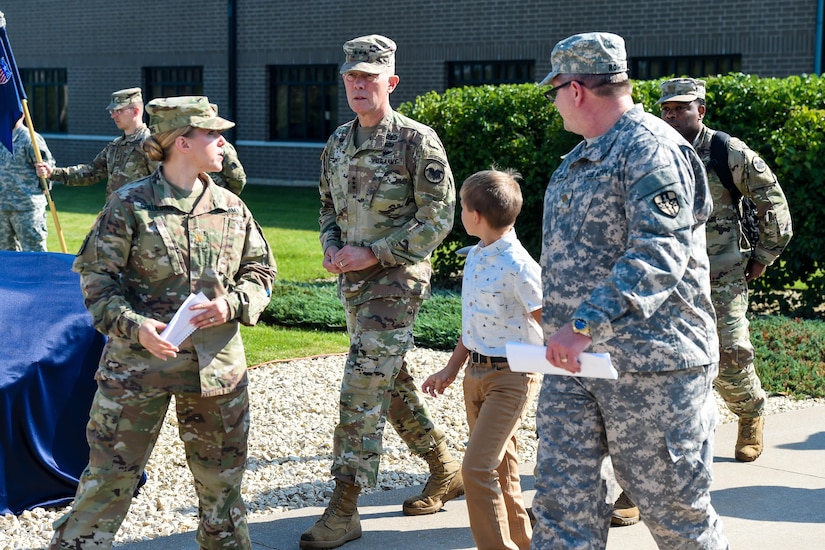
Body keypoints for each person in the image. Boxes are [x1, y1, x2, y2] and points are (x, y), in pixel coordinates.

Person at [48, 96, 276, 549]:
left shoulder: (231, 206)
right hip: (138, 370)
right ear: (182, 142)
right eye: (212, 133)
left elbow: (262, 273)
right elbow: (97, 282)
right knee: (108, 481)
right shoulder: (129, 205)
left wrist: (232, 304)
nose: (221, 141)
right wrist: (136, 327)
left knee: (222, 490)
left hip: (216, 373)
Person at [532, 32, 729, 548]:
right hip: (574, 369)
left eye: (554, 91)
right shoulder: (578, 160)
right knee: (559, 507)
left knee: (677, 518)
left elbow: (658, 254)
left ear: (575, 89)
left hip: (653, 370)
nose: (553, 103)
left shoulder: (652, 151)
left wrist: (582, 325)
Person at [301, 34, 460, 549]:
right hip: (353, 283)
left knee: (362, 384)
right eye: (351, 77)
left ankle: (345, 506)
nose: (358, 85)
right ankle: (443, 466)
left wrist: (376, 253)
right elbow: (328, 206)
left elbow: (438, 218)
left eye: (369, 77)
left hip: (397, 279)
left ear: (390, 82)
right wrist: (331, 247)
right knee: (388, 381)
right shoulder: (338, 143)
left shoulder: (418, 141)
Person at [658, 77, 793, 461]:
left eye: (681, 109)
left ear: (700, 110)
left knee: (730, 353)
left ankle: (750, 414)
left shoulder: (725, 150)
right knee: (667, 362)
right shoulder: (653, 151)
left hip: (722, 273)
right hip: (668, 276)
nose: (671, 116)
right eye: (666, 109)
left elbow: (772, 200)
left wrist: (764, 256)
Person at [421, 168, 542, 550]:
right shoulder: (474, 256)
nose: (460, 213)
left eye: (461, 207)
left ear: (475, 216)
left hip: (512, 378)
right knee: (502, 468)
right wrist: (452, 368)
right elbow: (474, 324)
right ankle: (528, 544)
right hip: (476, 374)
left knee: (475, 469)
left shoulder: (520, 267)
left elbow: (550, 322)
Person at [35, 87, 157, 197]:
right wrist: (53, 173)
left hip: (141, 219)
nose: (113, 116)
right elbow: (91, 172)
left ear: (135, 111)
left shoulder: (149, 143)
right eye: (112, 112)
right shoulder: (115, 146)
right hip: (115, 218)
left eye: (118, 111)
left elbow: (165, 183)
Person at [0, 116, 55, 251]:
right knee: (6, 257)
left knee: (34, 254)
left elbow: (47, 167)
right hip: (2, 207)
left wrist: (45, 186)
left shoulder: (30, 138)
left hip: (27, 209)